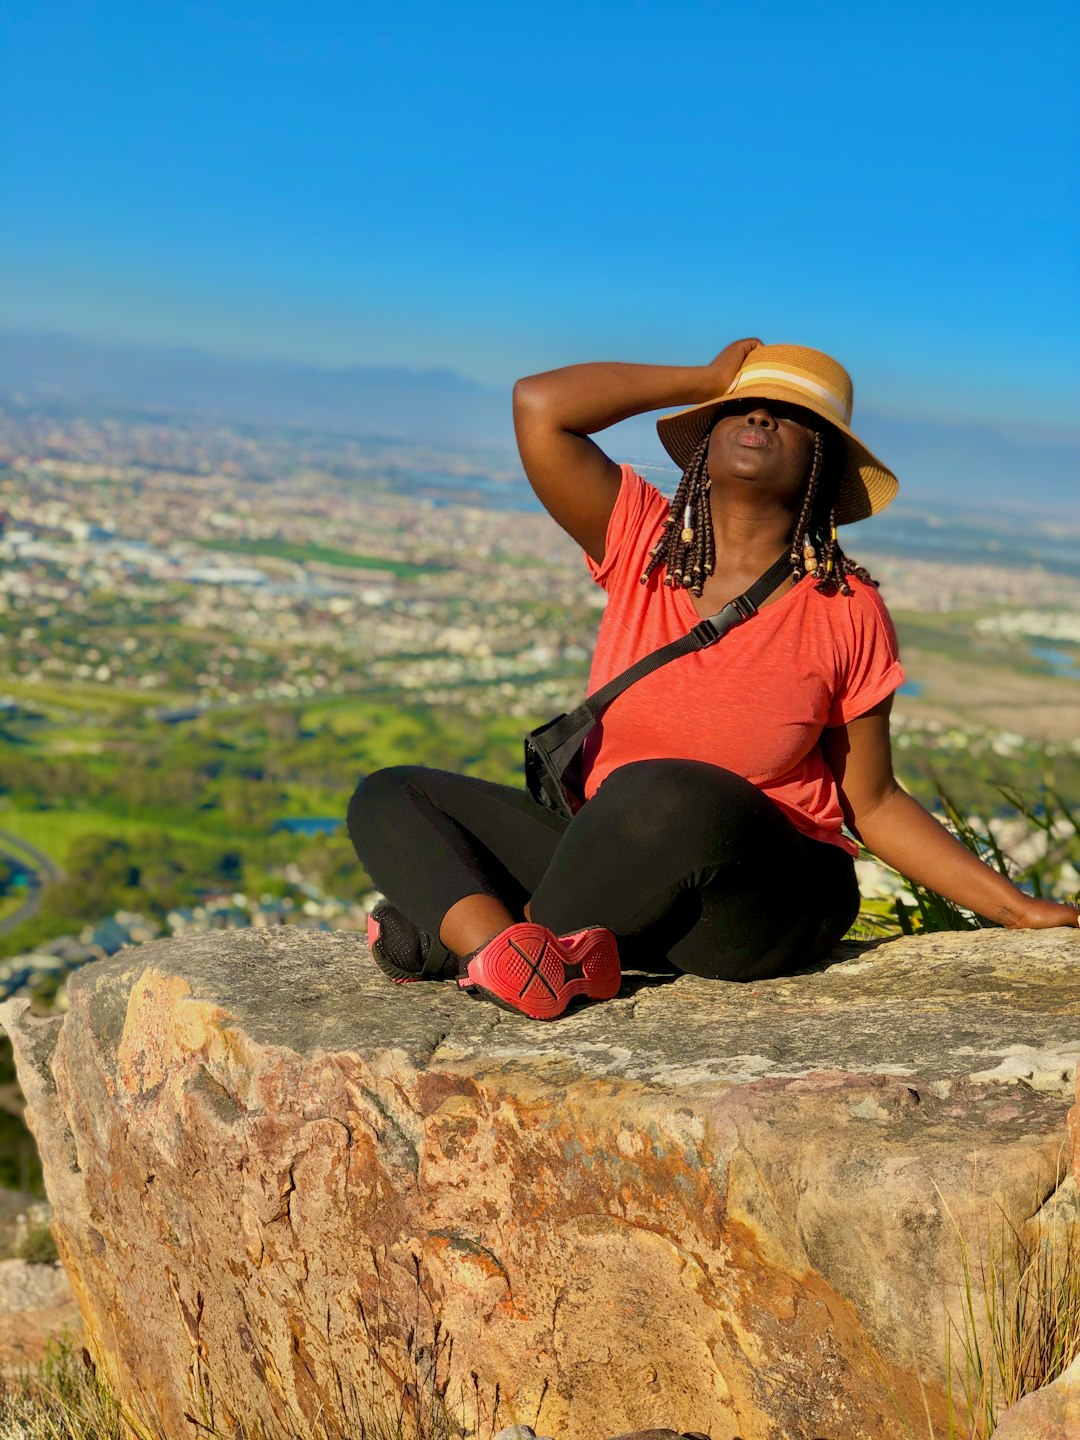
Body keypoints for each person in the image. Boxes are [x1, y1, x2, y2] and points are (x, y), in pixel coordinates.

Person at [347, 340, 1079, 1020]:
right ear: (708, 435)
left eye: (792, 414)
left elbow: (875, 800)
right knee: (391, 792)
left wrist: (1013, 908)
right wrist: (706, 380)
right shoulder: (641, 540)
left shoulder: (846, 609)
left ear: (821, 461)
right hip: (621, 859)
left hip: (765, 896)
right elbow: (541, 406)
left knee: (665, 791)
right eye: (745, 403)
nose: (761, 415)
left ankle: (484, 941)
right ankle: (510, 956)